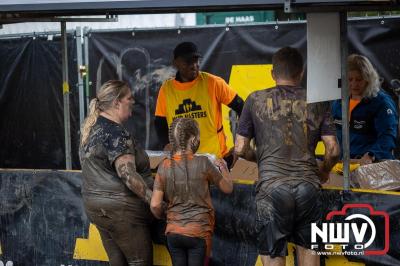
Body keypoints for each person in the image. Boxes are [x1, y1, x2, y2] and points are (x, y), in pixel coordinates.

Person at [234, 47, 340, 266]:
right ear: (301, 72)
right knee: (309, 252)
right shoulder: (317, 102)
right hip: (308, 187)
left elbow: (240, 148)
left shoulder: (255, 100)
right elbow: (333, 150)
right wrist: (324, 171)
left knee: (274, 257)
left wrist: (260, 158)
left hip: (272, 189)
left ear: (273, 74)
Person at [80, 80, 154, 266]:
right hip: (121, 211)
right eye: (129, 98)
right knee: (140, 262)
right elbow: (127, 175)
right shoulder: (116, 133)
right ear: (116, 102)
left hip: (97, 209)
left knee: (117, 262)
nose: (133, 102)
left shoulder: (92, 129)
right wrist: (154, 201)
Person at [150, 117, 233, 266]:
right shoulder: (204, 163)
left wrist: (169, 217)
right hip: (199, 232)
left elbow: (155, 205)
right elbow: (228, 188)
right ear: (194, 139)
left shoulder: (164, 166)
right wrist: (224, 168)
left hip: (173, 232)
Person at [154, 41, 244, 168]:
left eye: (196, 61)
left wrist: (240, 143)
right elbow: (160, 122)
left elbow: (242, 108)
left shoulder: (213, 83)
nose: (194, 65)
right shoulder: (166, 89)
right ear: (176, 63)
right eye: (188, 62)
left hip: (216, 162)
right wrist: (166, 144)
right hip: (183, 163)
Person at [332, 54, 398, 165]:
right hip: (344, 165)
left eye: (359, 80)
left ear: (368, 79)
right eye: (349, 79)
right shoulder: (338, 102)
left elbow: (388, 135)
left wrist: (371, 155)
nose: (353, 84)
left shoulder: (381, 102)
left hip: (373, 165)